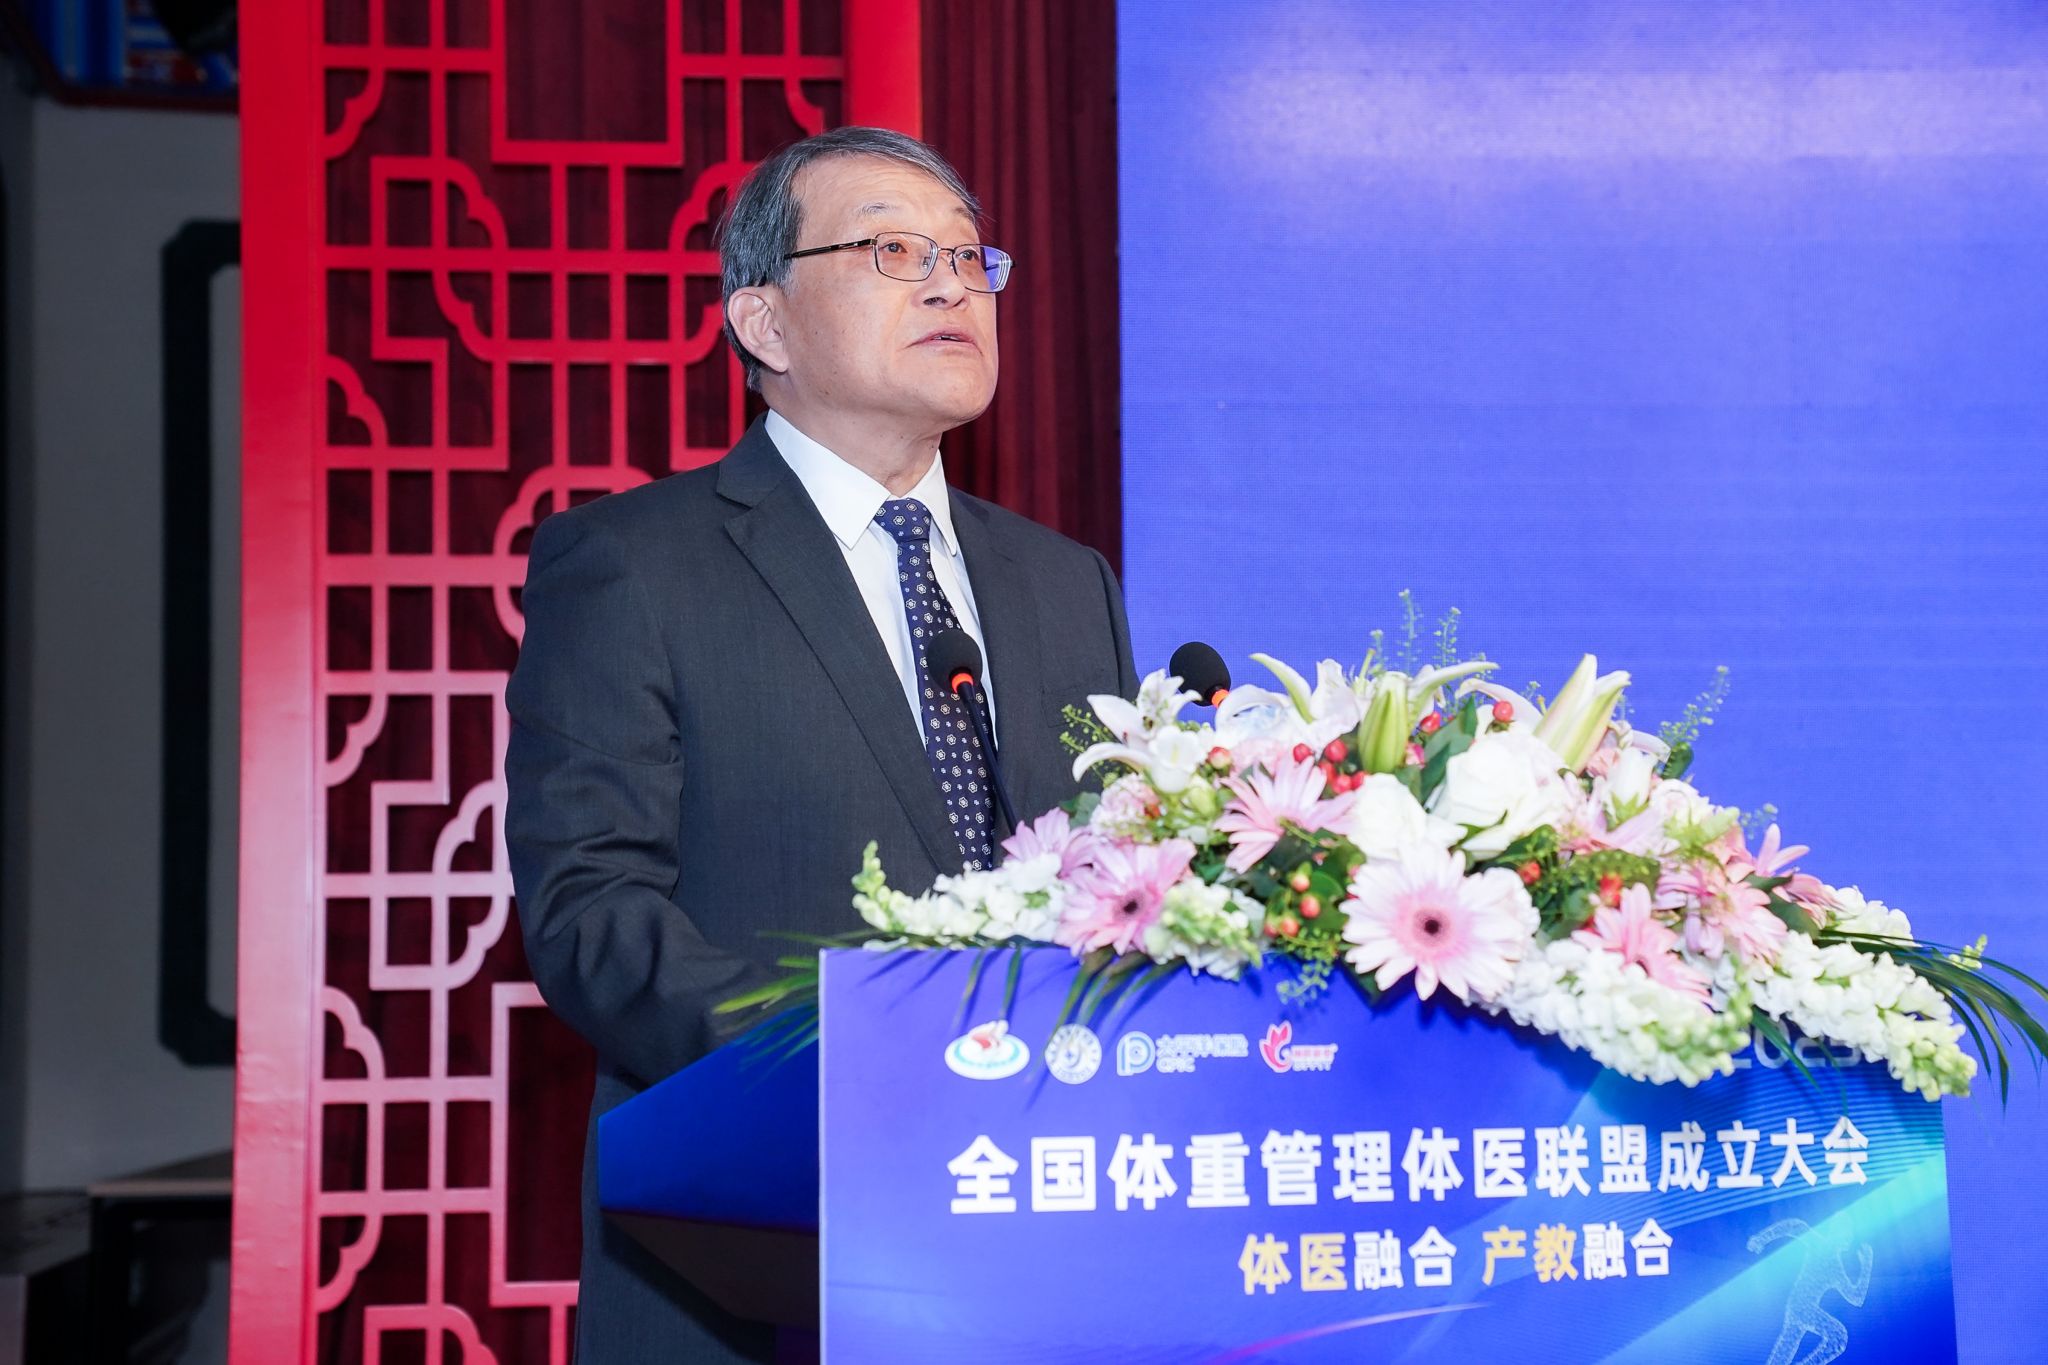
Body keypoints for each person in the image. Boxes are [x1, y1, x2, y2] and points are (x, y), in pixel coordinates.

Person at [504, 126, 1138, 1364]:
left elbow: (1119, 888)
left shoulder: (1069, 585)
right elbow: (591, 910)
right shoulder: (633, 564)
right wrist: (842, 1075)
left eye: (968, 257)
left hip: (1044, 1248)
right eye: (894, 252)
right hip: (758, 1257)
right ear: (765, 322)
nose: (951, 285)